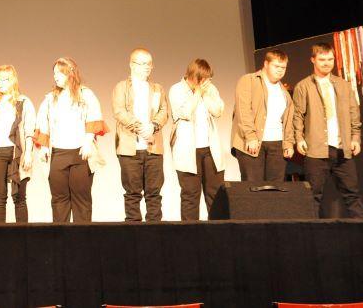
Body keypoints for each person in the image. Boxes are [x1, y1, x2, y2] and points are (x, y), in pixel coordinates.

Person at [289, 43, 363, 218]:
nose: (326, 63)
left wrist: (355, 138)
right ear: (313, 60)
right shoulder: (304, 86)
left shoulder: (344, 85)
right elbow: (298, 115)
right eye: (322, 59)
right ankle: (312, 232)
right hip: (316, 150)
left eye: (330, 59)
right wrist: (299, 138)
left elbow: (354, 114)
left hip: (342, 149)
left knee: (352, 194)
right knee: (313, 196)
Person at [35, 57, 107, 223]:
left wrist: (88, 141)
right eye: (54, 73)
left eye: (59, 73)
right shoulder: (51, 98)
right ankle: (60, 236)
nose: (55, 76)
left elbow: (94, 116)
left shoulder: (85, 94)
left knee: (81, 199)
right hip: (58, 154)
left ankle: (82, 236)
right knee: (59, 200)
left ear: (70, 74)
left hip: (79, 153)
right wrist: (44, 147)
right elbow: (43, 121)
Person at [111, 48, 169, 222]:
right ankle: (133, 231)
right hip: (130, 148)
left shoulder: (157, 88)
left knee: (154, 194)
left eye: (149, 64)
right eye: (142, 63)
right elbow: (119, 112)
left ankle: (155, 231)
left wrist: (153, 126)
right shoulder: (121, 87)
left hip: (153, 148)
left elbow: (164, 111)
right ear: (132, 65)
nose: (146, 67)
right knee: (132, 194)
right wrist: (140, 128)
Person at [169, 58, 225, 221]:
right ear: (192, 75)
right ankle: (190, 233)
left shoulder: (210, 89)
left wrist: (205, 93)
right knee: (190, 195)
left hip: (210, 150)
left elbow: (218, 111)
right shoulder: (177, 89)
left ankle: (218, 232)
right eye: (202, 78)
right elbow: (185, 112)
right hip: (187, 151)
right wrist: (198, 93)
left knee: (215, 194)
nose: (206, 82)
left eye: (208, 79)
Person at [0, 65, 36, 223]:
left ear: (13, 80)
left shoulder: (23, 101)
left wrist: (28, 153)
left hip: (17, 152)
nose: (1, 83)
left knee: (19, 197)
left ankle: (23, 235)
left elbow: (29, 130)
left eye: (5, 79)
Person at [232, 49, 294, 182]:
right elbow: (243, 110)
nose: (280, 70)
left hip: (277, 144)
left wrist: (288, 143)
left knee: (276, 188)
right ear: (266, 64)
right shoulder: (249, 80)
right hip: (253, 142)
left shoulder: (284, 91)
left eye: (283, 67)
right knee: (254, 188)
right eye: (276, 66)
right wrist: (250, 136)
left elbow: (287, 120)